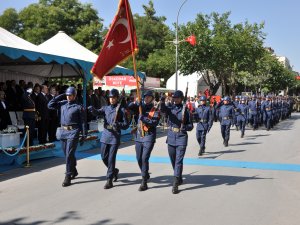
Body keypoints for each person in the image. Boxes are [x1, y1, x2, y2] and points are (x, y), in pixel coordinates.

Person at [89, 89, 129, 189]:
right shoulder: (105, 108)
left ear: (117, 98)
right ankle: (114, 170)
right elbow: (97, 112)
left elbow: (126, 125)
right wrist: (92, 109)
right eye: (110, 98)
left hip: (115, 136)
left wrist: (118, 124)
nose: (111, 99)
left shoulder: (121, 109)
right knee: (103, 157)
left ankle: (109, 179)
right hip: (106, 135)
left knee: (111, 158)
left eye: (113, 98)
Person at [48, 87, 87, 187]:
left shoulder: (79, 107)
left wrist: (84, 134)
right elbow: (50, 105)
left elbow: (83, 122)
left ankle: (68, 176)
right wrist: (60, 96)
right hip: (63, 131)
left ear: (74, 96)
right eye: (67, 95)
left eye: (70, 95)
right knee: (66, 154)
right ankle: (73, 170)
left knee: (69, 154)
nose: (68, 97)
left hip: (73, 131)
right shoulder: (62, 103)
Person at [160, 90, 194, 194]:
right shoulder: (170, 108)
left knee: (178, 160)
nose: (175, 99)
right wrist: (162, 101)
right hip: (171, 136)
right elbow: (163, 109)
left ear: (181, 98)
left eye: (177, 98)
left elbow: (191, 126)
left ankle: (175, 183)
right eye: (174, 98)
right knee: (173, 159)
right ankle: (178, 176)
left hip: (181, 137)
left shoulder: (186, 110)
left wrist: (185, 127)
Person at [128, 90, 160, 191]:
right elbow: (129, 107)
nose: (146, 98)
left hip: (149, 136)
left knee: (144, 158)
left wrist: (144, 118)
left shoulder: (154, 109)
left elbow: (154, 122)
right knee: (138, 158)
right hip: (139, 136)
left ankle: (144, 182)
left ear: (152, 98)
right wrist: (135, 102)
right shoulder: (140, 107)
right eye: (145, 97)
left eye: (149, 97)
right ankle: (145, 173)